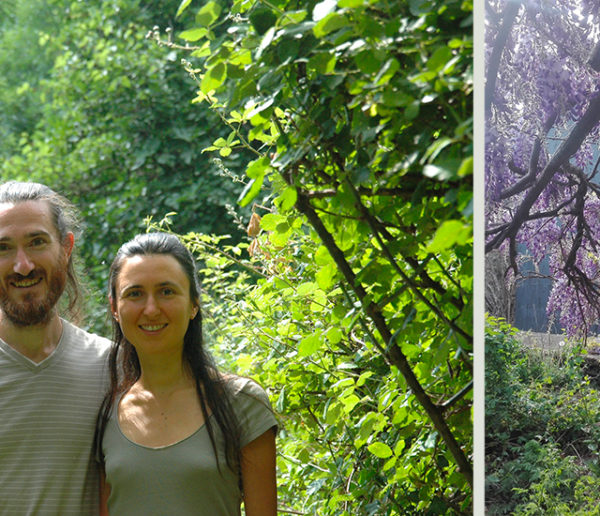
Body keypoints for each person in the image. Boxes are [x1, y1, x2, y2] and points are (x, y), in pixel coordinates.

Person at [95, 232, 278, 516]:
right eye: (135, 294)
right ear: (114, 308)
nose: (151, 309)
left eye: (167, 291)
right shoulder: (106, 413)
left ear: (194, 303)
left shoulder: (241, 402)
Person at [0, 180, 111, 515]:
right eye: (3, 248)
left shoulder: (110, 366)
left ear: (66, 247)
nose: (23, 265)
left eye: (36, 242)